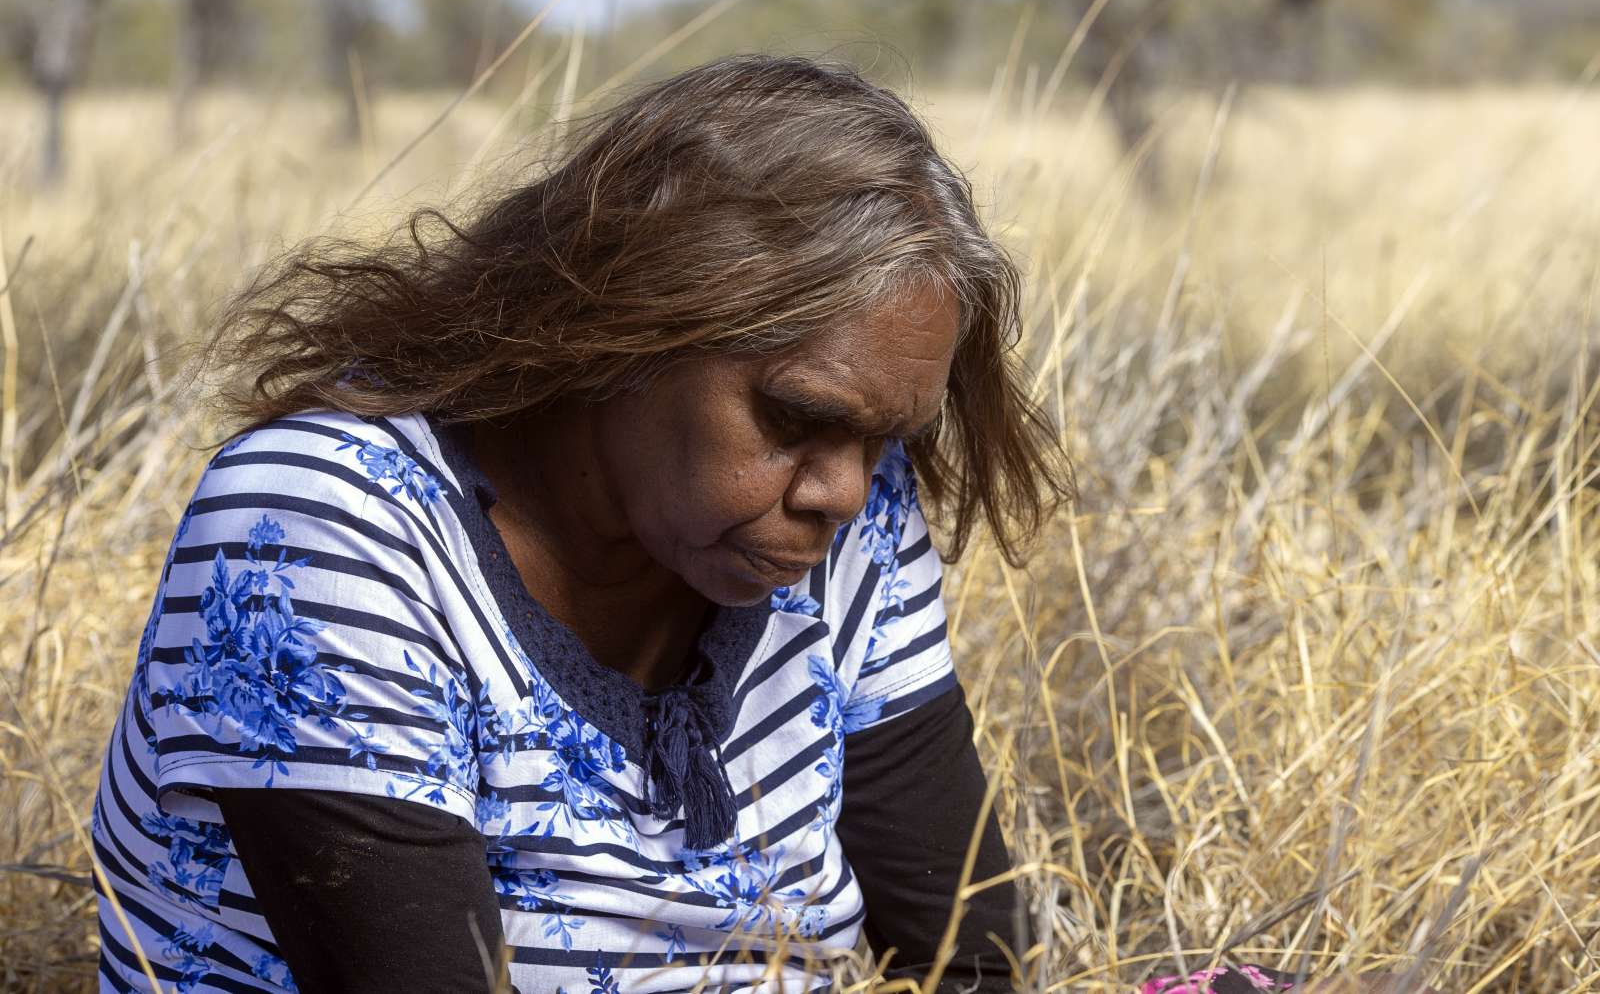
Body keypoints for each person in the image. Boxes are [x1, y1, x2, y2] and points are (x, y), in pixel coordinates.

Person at [88, 55, 1378, 994]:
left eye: (881, 441)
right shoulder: (329, 527)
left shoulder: (850, 525)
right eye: (797, 415)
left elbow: (967, 955)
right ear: (626, 326)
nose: (839, 488)